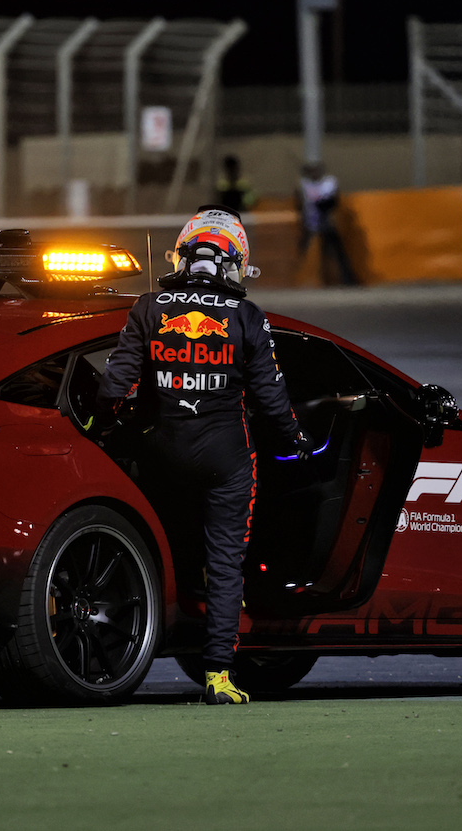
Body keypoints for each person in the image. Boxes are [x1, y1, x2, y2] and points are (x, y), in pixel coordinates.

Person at [95, 205, 315, 705]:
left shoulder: (149, 307)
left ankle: (120, 656)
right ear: (234, 260)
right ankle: (217, 674)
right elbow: (273, 402)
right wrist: (296, 445)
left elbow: (113, 384)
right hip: (227, 459)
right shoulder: (247, 317)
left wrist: (102, 426)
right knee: (224, 565)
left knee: (147, 552)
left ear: (183, 253)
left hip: (159, 455)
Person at [295, 160, 356, 286]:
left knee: (337, 254)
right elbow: (299, 203)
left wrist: (323, 204)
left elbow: (332, 202)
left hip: (327, 223)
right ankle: (299, 280)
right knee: (304, 252)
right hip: (310, 223)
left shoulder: (328, 183)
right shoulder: (304, 185)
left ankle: (348, 280)